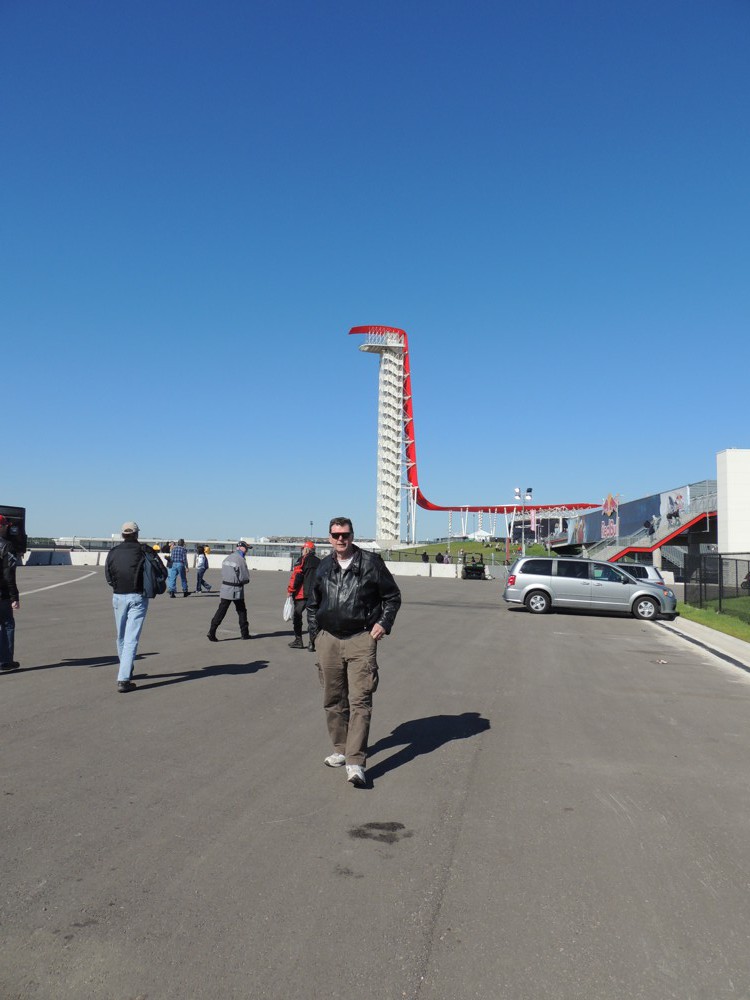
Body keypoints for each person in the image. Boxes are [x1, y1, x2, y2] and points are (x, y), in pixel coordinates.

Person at [307, 516, 401, 788]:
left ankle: (355, 762)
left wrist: (383, 623)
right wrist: (316, 635)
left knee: (360, 700)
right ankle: (341, 748)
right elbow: (313, 603)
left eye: (345, 534)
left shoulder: (371, 563)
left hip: (360, 639)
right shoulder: (324, 566)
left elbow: (392, 597)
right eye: (335, 535)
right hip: (329, 640)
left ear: (352, 535)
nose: (340, 539)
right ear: (329, 537)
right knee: (333, 698)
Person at [104, 521, 157, 693]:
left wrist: (116, 587)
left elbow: (108, 575)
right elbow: (159, 569)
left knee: (121, 635)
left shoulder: (113, 552)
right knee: (131, 638)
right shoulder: (144, 550)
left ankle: (126, 668)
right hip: (137, 596)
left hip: (118, 595)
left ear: (122, 535)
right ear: (136, 534)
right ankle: (123, 678)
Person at [207, 541, 252, 641]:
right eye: (246, 548)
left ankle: (212, 631)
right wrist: (245, 581)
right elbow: (245, 578)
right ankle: (245, 633)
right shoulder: (240, 560)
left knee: (221, 611)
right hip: (236, 589)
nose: (247, 550)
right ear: (241, 548)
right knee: (241, 611)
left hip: (225, 588)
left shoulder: (228, 558)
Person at [287, 540, 320, 650]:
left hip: (302, 594)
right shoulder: (319, 561)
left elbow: (297, 576)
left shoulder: (302, 560)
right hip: (315, 594)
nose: (302, 551)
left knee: (297, 617)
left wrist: (290, 590)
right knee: (313, 619)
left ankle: (298, 640)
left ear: (306, 549)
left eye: (303, 549)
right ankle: (312, 643)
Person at [0, 514, 21, 672]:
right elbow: (9, 574)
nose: (8, 528)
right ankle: (6, 660)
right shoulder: (7, 546)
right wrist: (14, 596)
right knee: (7, 624)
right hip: (2, 594)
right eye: (6, 525)